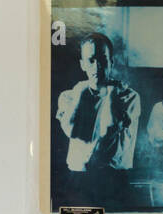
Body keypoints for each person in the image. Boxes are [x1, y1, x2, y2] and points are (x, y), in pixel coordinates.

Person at [55, 33, 140, 172]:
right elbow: (72, 130)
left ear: (111, 63)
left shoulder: (129, 97)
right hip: (78, 176)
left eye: (102, 59)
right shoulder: (69, 96)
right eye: (91, 60)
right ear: (82, 65)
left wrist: (112, 93)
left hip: (113, 176)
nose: (97, 66)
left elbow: (108, 130)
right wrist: (81, 91)